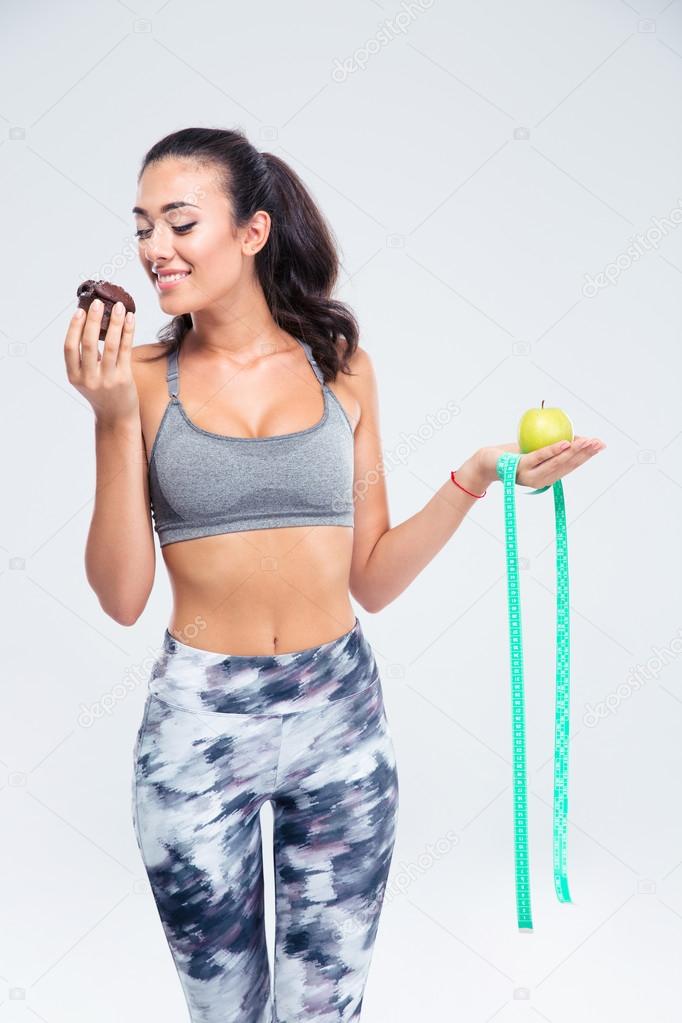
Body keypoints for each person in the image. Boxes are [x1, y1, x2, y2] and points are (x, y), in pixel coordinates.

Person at [64, 127, 605, 1022]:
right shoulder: (141, 378)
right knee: (225, 1012)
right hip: (199, 725)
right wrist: (113, 419)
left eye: (180, 222)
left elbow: (374, 576)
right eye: (143, 227)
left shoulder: (342, 370)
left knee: (325, 1011)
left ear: (253, 231)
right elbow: (121, 598)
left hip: (340, 719)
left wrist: (475, 476)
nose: (155, 248)